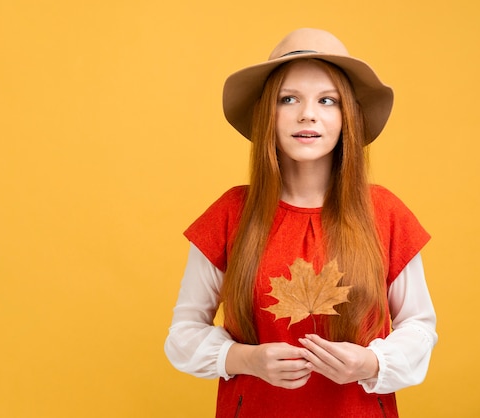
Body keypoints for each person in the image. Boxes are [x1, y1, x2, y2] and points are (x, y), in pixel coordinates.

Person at [164, 28, 437, 417]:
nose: (307, 113)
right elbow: (182, 335)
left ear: (348, 118)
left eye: (328, 100)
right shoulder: (230, 213)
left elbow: (420, 328)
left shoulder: (385, 213)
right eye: (288, 99)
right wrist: (245, 359)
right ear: (266, 114)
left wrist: (371, 364)